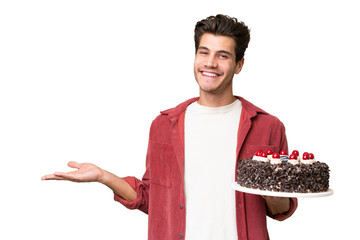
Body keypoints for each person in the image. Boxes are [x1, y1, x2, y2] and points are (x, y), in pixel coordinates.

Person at [42, 14, 297, 240]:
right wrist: (103, 176)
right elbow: (153, 198)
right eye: (204, 52)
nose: (210, 63)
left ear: (239, 64)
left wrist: (272, 194)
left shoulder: (268, 127)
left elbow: (281, 209)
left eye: (223, 55)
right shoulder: (164, 125)